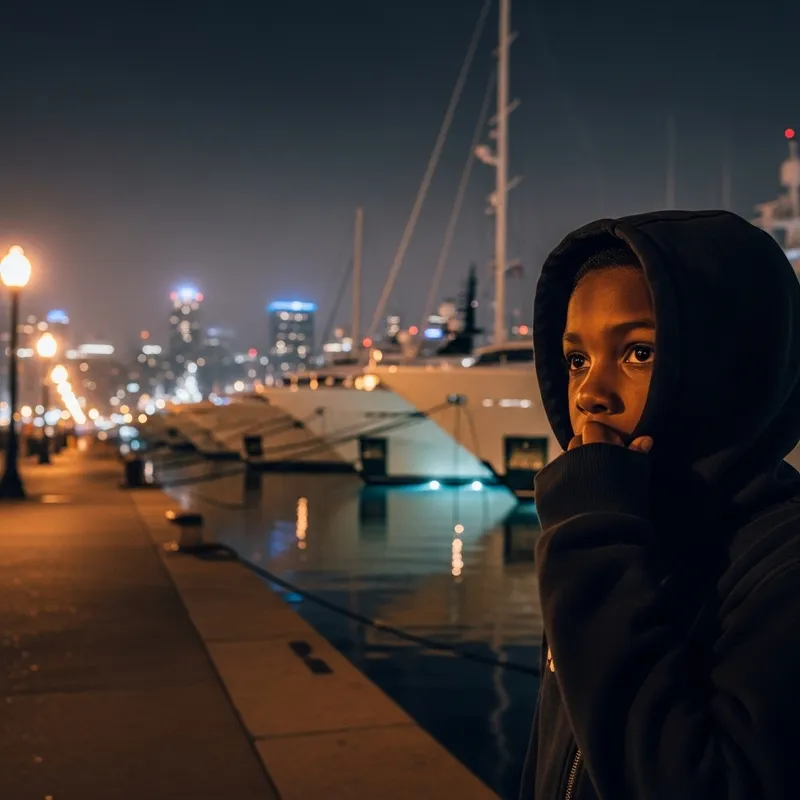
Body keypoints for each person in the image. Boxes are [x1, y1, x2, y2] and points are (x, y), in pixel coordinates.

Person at [520, 209, 800, 800]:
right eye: (577, 359)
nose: (589, 393)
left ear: (729, 367)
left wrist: (590, 539)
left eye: (639, 352)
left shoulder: (784, 565)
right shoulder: (625, 531)